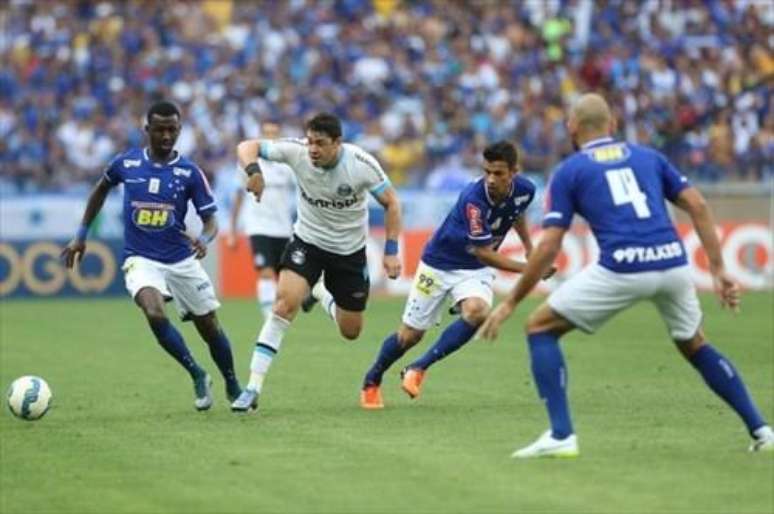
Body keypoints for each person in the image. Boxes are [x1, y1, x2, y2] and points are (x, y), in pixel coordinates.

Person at [479, 93, 774, 457]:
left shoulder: (570, 172)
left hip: (622, 266)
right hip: (672, 263)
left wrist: (510, 302)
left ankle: (561, 435)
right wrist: (718, 269)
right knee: (695, 343)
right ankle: (761, 430)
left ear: (572, 127)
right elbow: (697, 204)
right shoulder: (648, 156)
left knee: (540, 328)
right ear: (613, 125)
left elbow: (550, 245)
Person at [61, 100, 242, 411]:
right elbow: (99, 191)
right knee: (154, 312)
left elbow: (211, 219)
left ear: (180, 130)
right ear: (147, 130)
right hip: (141, 258)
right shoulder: (126, 164)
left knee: (209, 326)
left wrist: (205, 238)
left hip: (182, 260)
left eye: (173, 129)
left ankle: (232, 383)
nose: (167, 135)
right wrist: (81, 235)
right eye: (160, 129)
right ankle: (197, 373)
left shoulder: (190, 172)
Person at [359, 141, 553, 409]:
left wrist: (530, 249)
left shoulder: (526, 190)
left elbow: (515, 213)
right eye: (487, 172)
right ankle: (372, 379)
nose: (491, 179)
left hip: (473, 270)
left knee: (477, 312)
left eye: (499, 173)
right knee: (409, 336)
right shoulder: (474, 200)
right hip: (439, 264)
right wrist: (532, 269)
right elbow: (484, 253)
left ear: (514, 172)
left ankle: (419, 367)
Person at [231, 112, 402, 412]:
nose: (312, 149)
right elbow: (247, 146)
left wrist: (390, 250)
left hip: (349, 253)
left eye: (320, 144)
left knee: (351, 331)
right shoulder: (296, 151)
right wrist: (254, 171)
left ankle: (320, 292)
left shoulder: (361, 165)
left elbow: (391, 202)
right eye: (310, 142)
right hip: (307, 242)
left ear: (338, 143)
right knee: (283, 305)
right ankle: (252, 388)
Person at [227, 120, 295, 319]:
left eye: (274, 133)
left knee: (286, 278)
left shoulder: (287, 165)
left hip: (283, 227)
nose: (270, 137)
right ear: (260, 136)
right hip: (258, 226)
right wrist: (232, 230)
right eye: (267, 133)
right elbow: (239, 196)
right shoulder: (248, 163)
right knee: (265, 272)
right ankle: (269, 316)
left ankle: (286, 307)